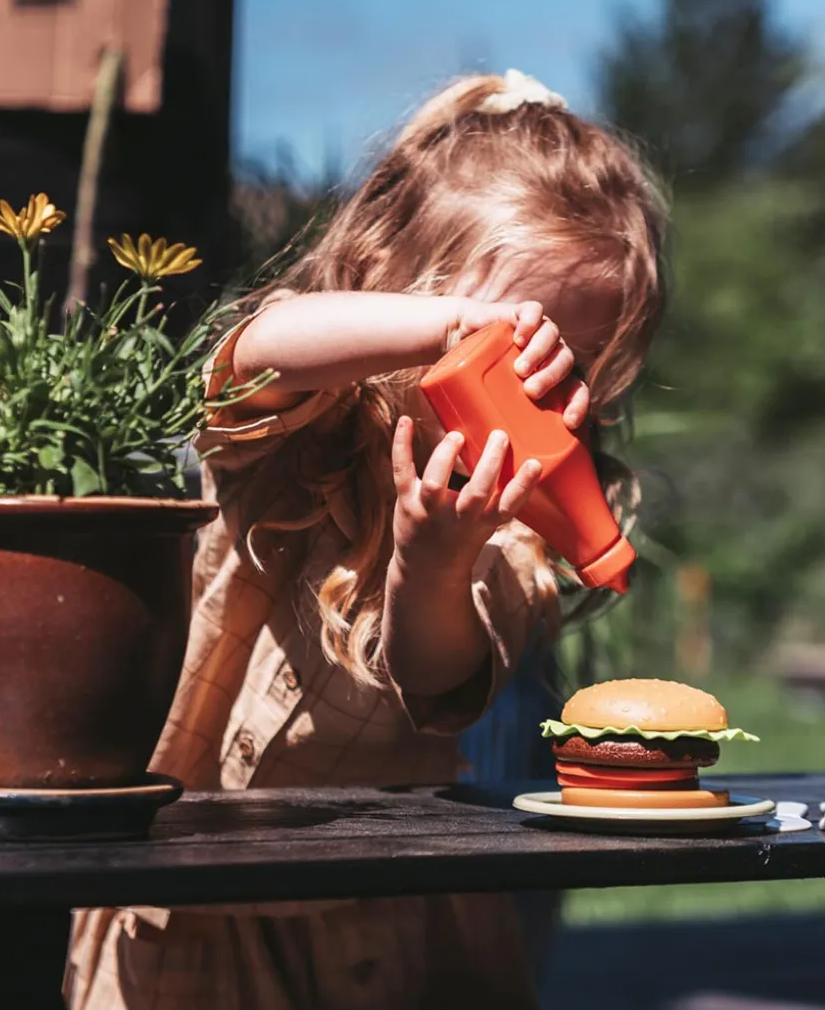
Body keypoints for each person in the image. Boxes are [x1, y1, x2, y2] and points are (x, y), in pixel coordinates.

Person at [66, 68, 667, 1010]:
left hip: (385, 919)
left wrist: (437, 560)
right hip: (189, 911)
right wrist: (453, 329)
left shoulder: (516, 523)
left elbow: (433, 676)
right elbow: (250, 353)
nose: (535, 388)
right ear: (392, 282)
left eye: (572, 363)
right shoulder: (299, 432)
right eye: (511, 350)